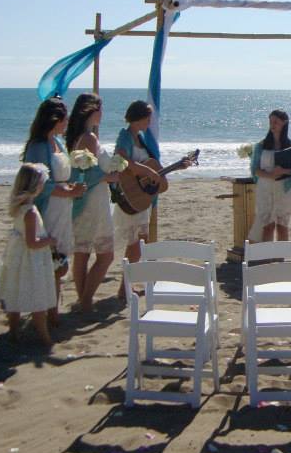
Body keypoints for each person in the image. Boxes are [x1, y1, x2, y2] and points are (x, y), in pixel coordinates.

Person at [21, 97, 85, 322]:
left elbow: (62, 174)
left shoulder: (58, 142)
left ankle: (53, 310)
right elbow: (41, 183)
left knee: (60, 260)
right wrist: (67, 192)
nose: (67, 123)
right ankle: (47, 311)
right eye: (64, 119)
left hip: (63, 207)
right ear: (54, 119)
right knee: (49, 261)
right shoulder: (38, 146)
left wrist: (73, 187)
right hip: (47, 208)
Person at [113, 101, 177, 298]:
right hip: (130, 194)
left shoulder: (140, 137)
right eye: (147, 118)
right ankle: (124, 287)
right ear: (138, 118)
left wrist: (175, 167)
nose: (149, 122)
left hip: (142, 196)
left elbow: (149, 166)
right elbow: (123, 161)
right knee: (136, 241)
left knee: (140, 240)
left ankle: (126, 285)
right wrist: (147, 170)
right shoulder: (125, 136)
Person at [0, 163, 58, 347]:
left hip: (17, 257)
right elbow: (32, 242)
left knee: (14, 294)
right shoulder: (30, 212)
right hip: (31, 260)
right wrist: (50, 241)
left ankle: (14, 333)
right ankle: (44, 336)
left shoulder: (20, 207)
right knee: (38, 297)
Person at [66, 93, 119, 311]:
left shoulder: (79, 135)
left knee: (82, 251)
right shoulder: (88, 137)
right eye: (101, 108)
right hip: (94, 200)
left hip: (87, 198)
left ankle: (83, 299)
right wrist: (108, 176)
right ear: (92, 110)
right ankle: (86, 299)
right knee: (105, 254)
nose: (103, 114)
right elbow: (86, 173)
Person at [248, 109, 291, 242]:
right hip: (265, 189)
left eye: (276, 122)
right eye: (270, 122)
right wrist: (270, 175)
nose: (272, 125)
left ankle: (280, 258)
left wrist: (284, 171)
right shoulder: (260, 145)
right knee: (267, 225)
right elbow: (254, 169)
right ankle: (267, 258)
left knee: (282, 226)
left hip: (285, 189)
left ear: (284, 123)